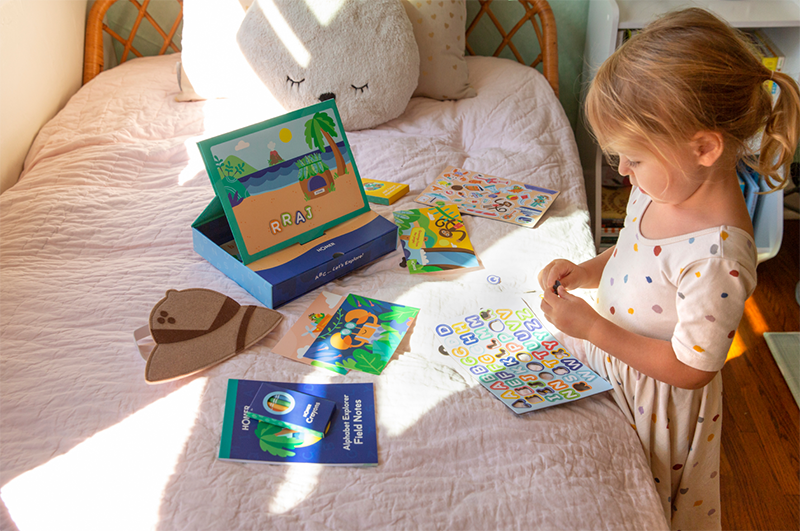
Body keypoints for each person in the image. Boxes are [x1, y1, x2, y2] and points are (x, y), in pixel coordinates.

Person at [537, 8, 800, 531]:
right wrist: (588, 271)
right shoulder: (660, 185)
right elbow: (634, 249)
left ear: (703, 148)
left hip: (658, 402)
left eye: (632, 157)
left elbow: (692, 368)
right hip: (614, 358)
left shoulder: (717, 257)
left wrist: (592, 327)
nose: (622, 172)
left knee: (647, 501)